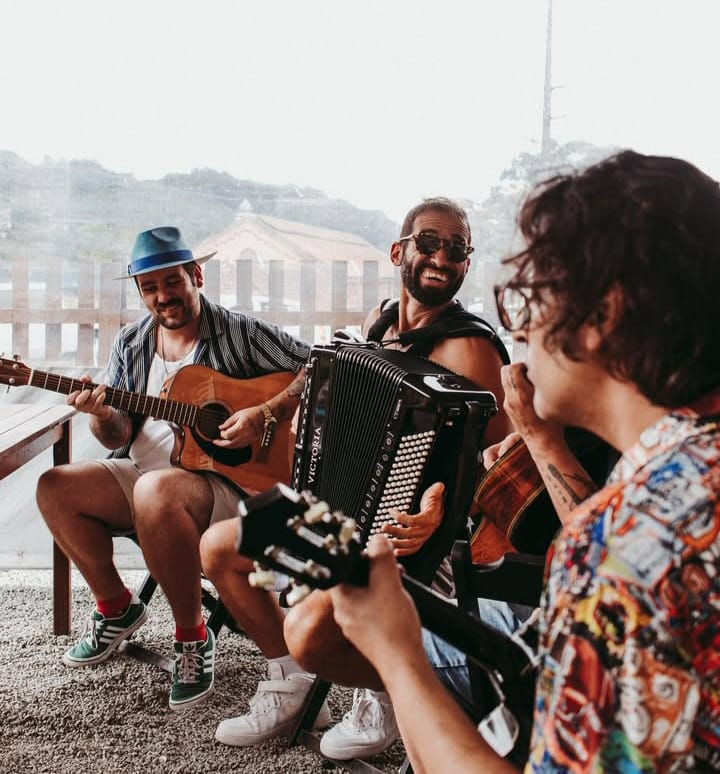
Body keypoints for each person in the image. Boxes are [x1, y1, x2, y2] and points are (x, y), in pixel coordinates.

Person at [310, 151, 720, 771]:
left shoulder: (617, 553)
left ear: (603, 315)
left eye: (527, 295)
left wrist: (395, 656)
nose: (517, 331)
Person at [199, 197, 511, 755]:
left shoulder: (473, 348)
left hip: (415, 546)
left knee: (314, 627)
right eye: (430, 243)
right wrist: (269, 412)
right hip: (346, 518)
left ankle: (388, 687)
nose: (443, 256)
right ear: (400, 251)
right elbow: (323, 370)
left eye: (457, 248)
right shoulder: (382, 321)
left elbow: (498, 458)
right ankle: (290, 680)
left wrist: (442, 511)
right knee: (222, 546)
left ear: (467, 262)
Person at [36, 226, 309, 711]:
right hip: (146, 477)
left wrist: (262, 415)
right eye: (150, 287)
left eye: (172, 282)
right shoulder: (132, 343)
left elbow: (321, 368)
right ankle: (116, 609)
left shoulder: (240, 333)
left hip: (229, 486)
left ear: (195, 275)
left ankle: (191, 636)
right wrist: (101, 414)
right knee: (56, 486)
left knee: (156, 492)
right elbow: (118, 436)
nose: (163, 296)